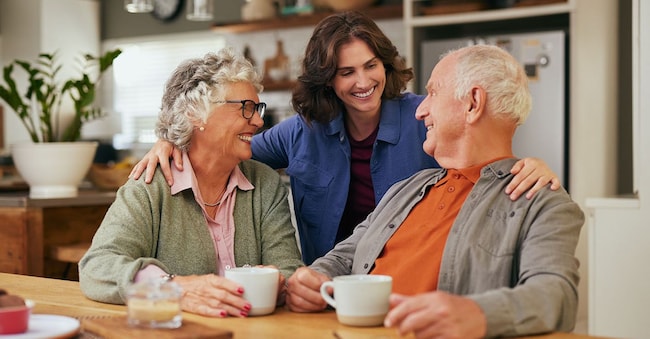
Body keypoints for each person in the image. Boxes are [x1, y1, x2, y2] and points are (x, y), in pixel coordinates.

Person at [130, 11, 561, 265]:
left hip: (411, 278)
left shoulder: (423, 116)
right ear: (327, 80)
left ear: (385, 66)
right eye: (346, 72)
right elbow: (225, 151)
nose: (363, 82)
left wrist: (529, 165)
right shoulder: (304, 130)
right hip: (331, 281)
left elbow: (483, 156)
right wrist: (173, 142)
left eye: (371, 66)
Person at [285, 44, 584, 338]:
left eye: (433, 92)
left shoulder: (541, 202)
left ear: (473, 103)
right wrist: (312, 279)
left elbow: (556, 295)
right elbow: (342, 258)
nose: (420, 110)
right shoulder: (405, 189)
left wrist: (477, 314)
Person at [78, 48, 303, 318]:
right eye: (246, 108)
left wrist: (278, 281)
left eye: (258, 108)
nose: (257, 120)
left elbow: (288, 270)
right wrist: (172, 288)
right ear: (196, 114)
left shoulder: (265, 183)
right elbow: (98, 266)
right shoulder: (151, 185)